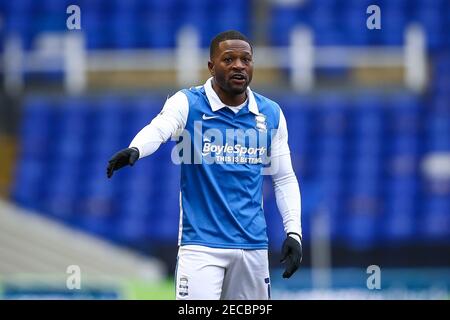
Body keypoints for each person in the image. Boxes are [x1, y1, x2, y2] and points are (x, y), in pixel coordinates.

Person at [107, 30, 302, 300]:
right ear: (211, 66)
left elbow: (284, 178)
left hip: (253, 247)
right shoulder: (188, 103)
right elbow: (160, 128)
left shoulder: (270, 113)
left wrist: (294, 232)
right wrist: (137, 148)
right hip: (200, 248)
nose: (238, 65)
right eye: (228, 59)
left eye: (246, 59)